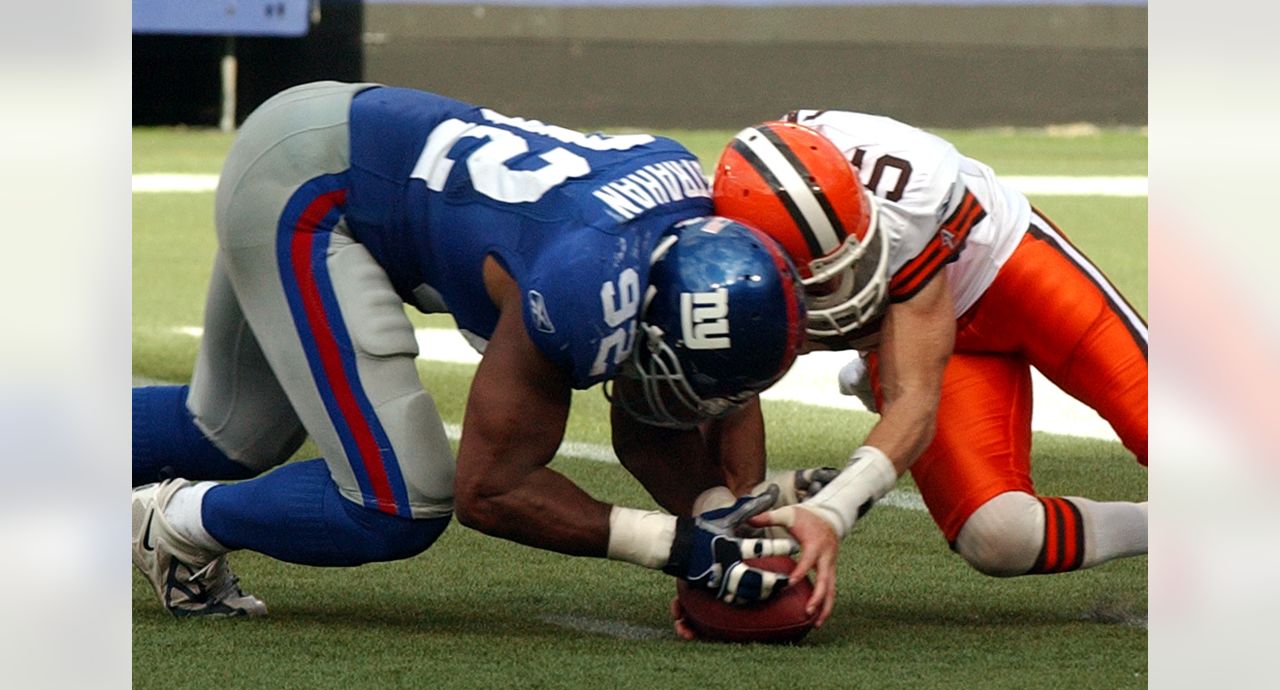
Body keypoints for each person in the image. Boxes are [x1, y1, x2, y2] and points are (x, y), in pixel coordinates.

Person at [131, 81, 811, 617]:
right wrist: (676, 544)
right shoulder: (585, 283)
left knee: (226, 433)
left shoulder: (690, 241)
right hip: (310, 192)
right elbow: (490, 490)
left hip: (322, 134)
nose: (690, 409)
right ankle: (173, 523)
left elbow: (667, 419)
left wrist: (723, 511)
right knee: (397, 503)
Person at [681, 113, 1148, 635]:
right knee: (1000, 537)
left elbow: (915, 400)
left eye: (853, 257)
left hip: (998, 273)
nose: (845, 280)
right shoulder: (716, 257)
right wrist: (737, 521)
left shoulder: (913, 190)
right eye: (823, 278)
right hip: (900, 330)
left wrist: (831, 513)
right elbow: (731, 390)